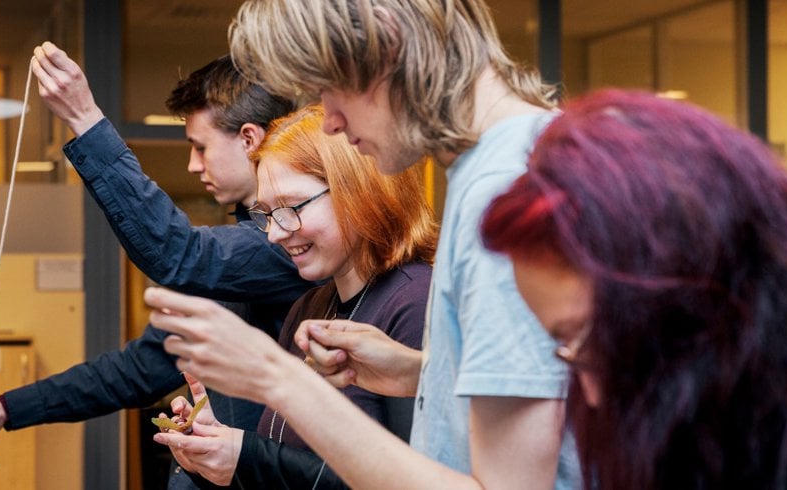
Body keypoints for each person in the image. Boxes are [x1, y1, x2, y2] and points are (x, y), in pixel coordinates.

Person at [147, 1, 577, 488]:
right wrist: (419, 372)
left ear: (386, 46)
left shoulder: (505, 193)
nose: (329, 121)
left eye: (330, 87)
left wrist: (276, 377)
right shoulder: (514, 166)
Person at [481, 89, 787, 489]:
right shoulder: (741, 420)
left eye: (590, 340)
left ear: (690, 291)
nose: (592, 393)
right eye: (567, 353)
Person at [0, 44, 314, 488]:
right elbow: (141, 369)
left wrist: (86, 119)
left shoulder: (286, 246)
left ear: (249, 139)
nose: (192, 165)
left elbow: (180, 254)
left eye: (200, 147)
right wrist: (6, 408)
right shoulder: (238, 256)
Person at [152, 105, 437, 489]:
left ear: (356, 192)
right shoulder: (312, 307)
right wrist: (216, 456)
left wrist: (246, 457)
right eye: (267, 214)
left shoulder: (415, 302)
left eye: (290, 208)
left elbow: (413, 480)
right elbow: (288, 467)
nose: (275, 233)